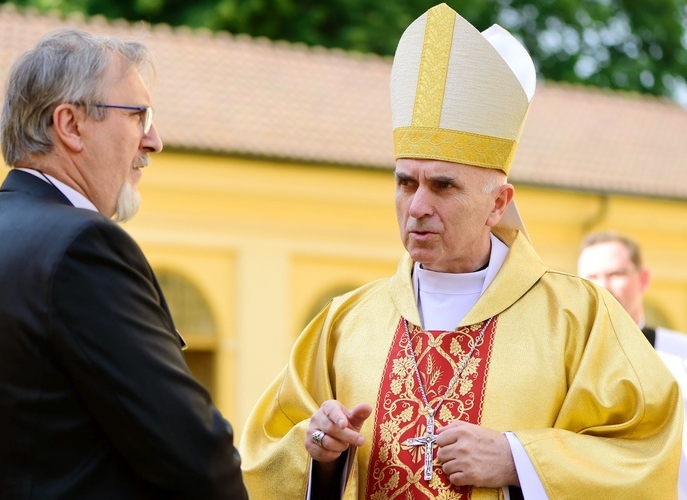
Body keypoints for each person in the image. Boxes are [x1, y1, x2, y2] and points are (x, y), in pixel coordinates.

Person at [239, 4, 682, 499]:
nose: (418, 206)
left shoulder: (578, 319)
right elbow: (263, 456)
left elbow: (646, 451)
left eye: (443, 185)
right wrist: (318, 454)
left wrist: (518, 459)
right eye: (406, 183)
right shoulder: (346, 323)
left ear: (498, 204)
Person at [0, 29, 247, 499]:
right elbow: (196, 455)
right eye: (138, 115)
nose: (155, 140)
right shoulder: (83, 245)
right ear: (71, 125)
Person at [578, 230, 687, 500]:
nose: (604, 285)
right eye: (592, 277)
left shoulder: (682, 352)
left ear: (643, 279)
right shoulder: (565, 358)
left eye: (616, 274)